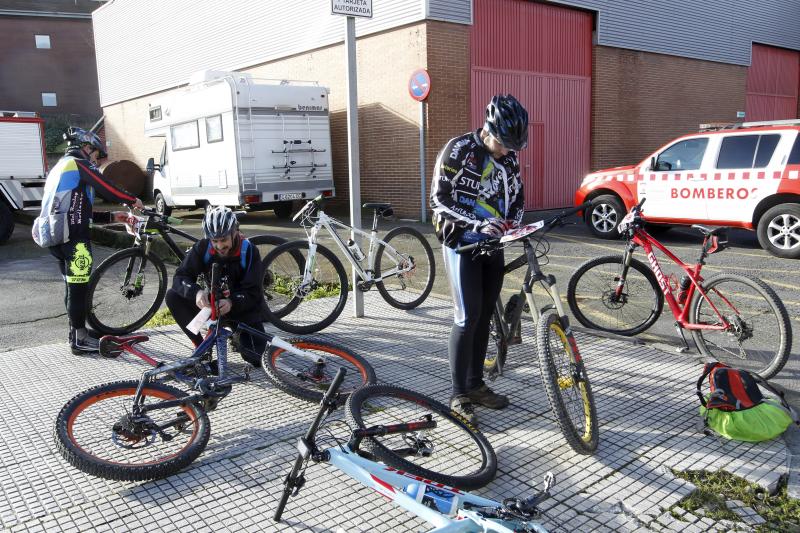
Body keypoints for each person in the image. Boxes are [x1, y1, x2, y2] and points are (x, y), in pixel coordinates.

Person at [430, 94, 529, 426]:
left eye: (512, 146)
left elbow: (517, 197)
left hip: (494, 245)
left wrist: (514, 222)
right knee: (466, 317)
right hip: (462, 244)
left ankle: (475, 385)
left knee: (485, 315)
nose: (506, 151)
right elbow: (438, 199)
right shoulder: (459, 150)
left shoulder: (510, 159)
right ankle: (458, 393)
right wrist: (475, 224)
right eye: (502, 143)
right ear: (488, 129)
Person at [34, 126, 143, 354]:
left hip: (57, 237)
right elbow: (107, 188)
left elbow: (77, 211)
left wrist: (113, 216)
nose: (96, 159)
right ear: (86, 147)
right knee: (78, 290)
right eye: (95, 153)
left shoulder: (60, 167)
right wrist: (132, 200)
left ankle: (76, 332)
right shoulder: (78, 164)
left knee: (72, 287)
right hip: (75, 242)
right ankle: (80, 341)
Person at [165, 205, 267, 368]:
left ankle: (236, 336)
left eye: (224, 240)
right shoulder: (203, 247)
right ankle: (201, 346)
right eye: (215, 241)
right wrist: (196, 293)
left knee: (257, 358)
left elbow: (254, 292)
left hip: (241, 309)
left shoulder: (249, 251)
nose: (220, 246)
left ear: (234, 232)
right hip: (212, 306)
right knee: (173, 296)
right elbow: (180, 277)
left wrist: (232, 302)